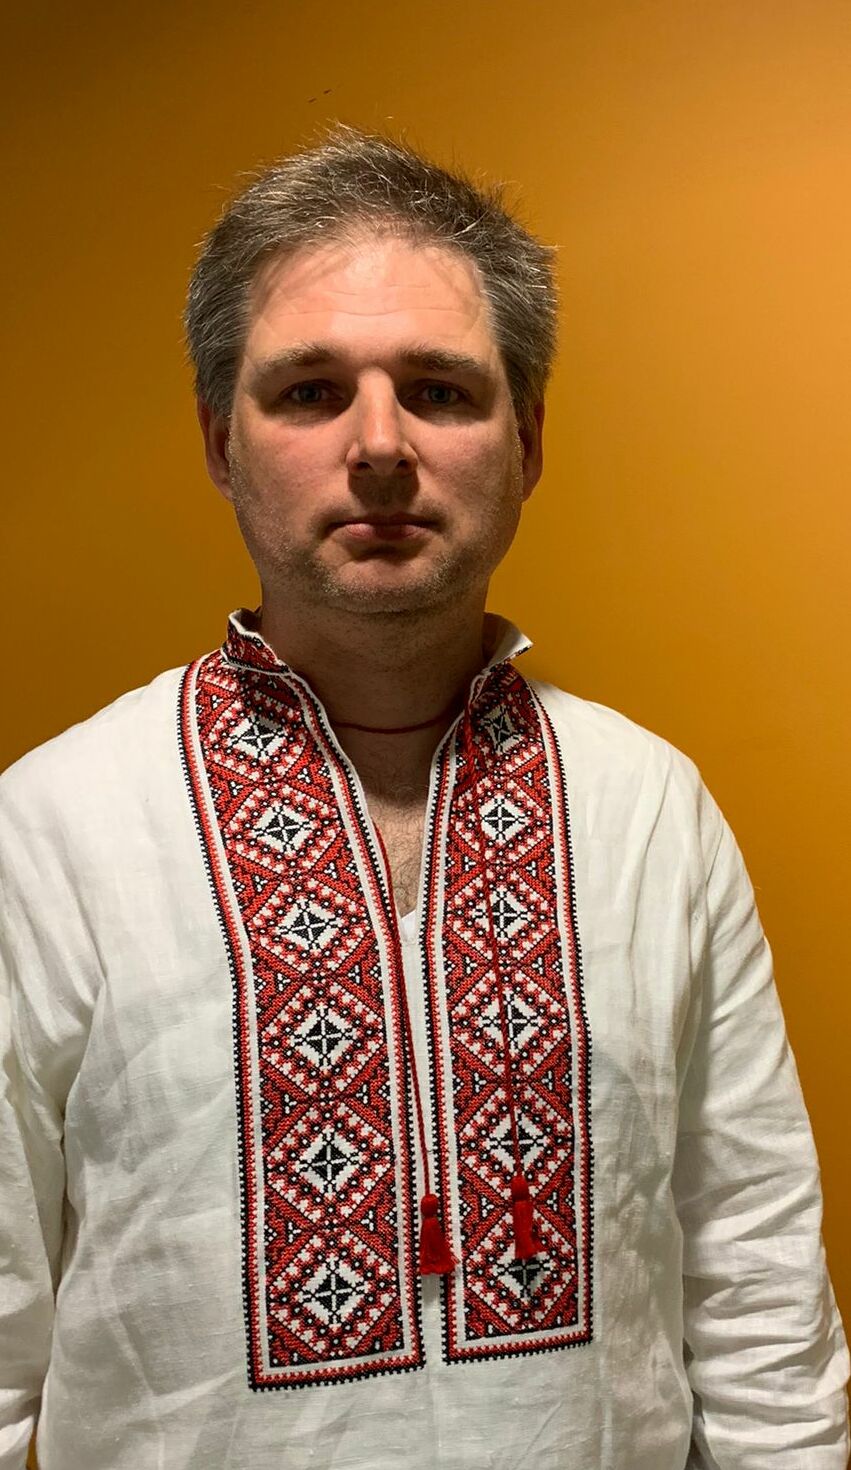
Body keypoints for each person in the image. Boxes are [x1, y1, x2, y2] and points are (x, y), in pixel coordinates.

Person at [0, 124, 847, 1470]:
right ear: (221, 442)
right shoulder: (51, 830)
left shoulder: (650, 811)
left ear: (530, 441)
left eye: (441, 390)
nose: (381, 445)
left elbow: (758, 1299)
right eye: (311, 391)